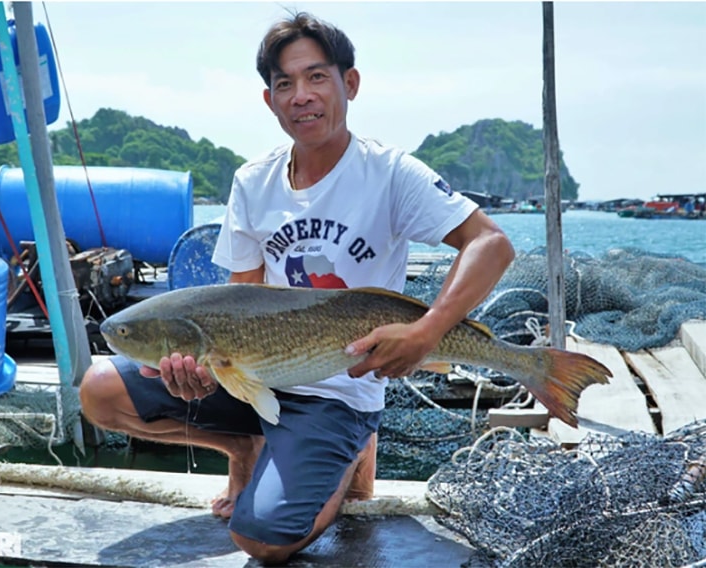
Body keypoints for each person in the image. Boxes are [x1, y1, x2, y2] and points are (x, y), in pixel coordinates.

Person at [79, 11, 515, 564]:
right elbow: (237, 300)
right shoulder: (252, 181)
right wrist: (202, 376)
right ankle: (245, 447)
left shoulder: (390, 174)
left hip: (340, 389)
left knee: (259, 540)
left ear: (348, 84)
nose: (301, 95)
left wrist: (426, 333)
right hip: (256, 377)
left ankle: (352, 449)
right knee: (98, 390)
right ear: (269, 100)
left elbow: (491, 244)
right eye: (284, 83)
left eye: (316, 77)